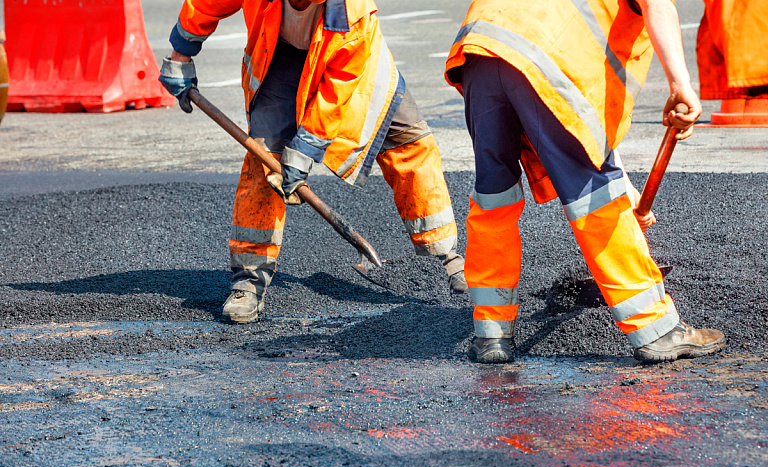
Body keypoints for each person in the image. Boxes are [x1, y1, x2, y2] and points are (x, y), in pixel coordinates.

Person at [444, 0, 725, 363]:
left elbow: (586, 132)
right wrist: (681, 84)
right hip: (542, 55)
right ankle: (657, 329)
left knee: (494, 196)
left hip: (481, 53)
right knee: (596, 197)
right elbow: (657, 5)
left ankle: (491, 336)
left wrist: (620, 177)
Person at [158, 0, 468, 323]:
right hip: (279, 55)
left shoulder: (353, 13)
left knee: (410, 142)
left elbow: (336, 92)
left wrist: (304, 150)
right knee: (264, 158)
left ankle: (442, 260)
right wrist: (180, 54)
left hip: (349, 64)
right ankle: (248, 283)